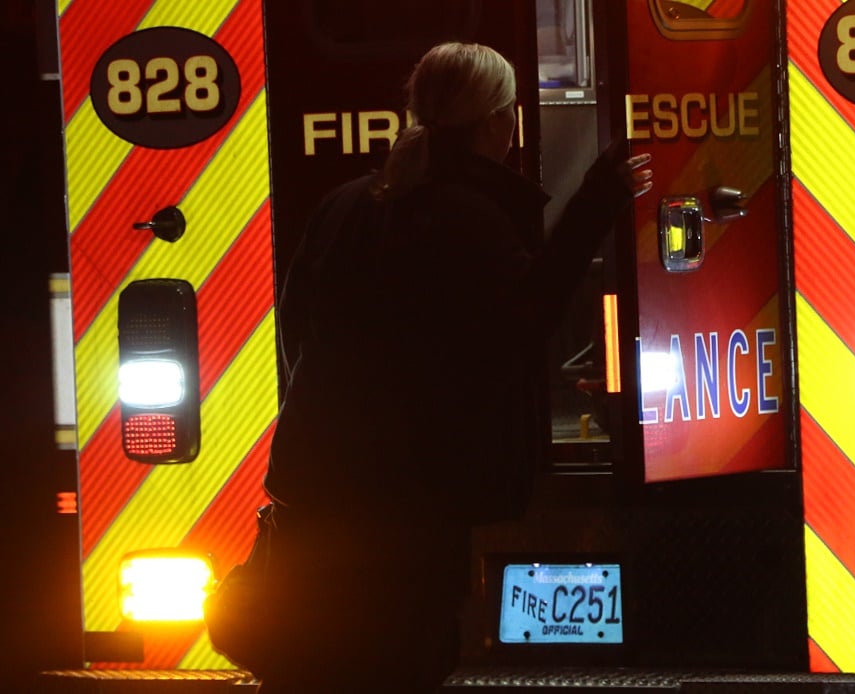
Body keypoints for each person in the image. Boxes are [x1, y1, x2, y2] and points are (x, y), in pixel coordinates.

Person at [208, 42, 653, 692]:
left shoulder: (346, 204)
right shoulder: (467, 217)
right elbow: (527, 319)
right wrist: (593, 205)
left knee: (307, 662)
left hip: (315, 488)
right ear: (496, 122)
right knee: (398, 662)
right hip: (410, 511)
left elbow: (296, 327)